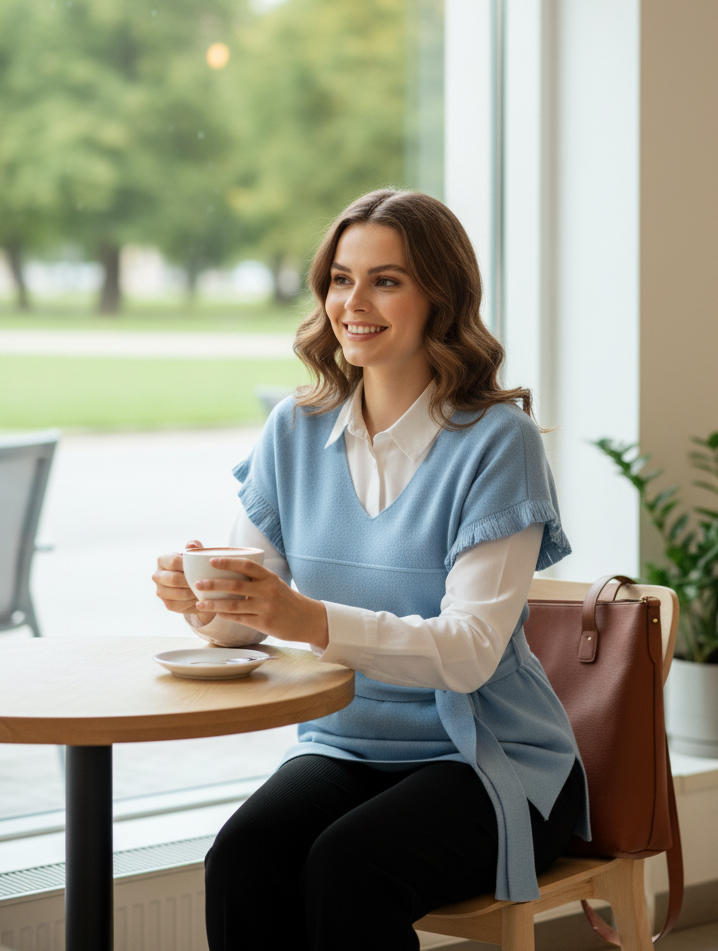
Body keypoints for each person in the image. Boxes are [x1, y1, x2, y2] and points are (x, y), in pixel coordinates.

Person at [153, 188, 590, 951]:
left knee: (347, 869)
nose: (353, 302)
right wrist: (204, 601)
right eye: (340, 278)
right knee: (242, 861)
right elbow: (241, 625)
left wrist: (306, 619)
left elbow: (468, 652)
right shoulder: (294, 428)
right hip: (345, 745)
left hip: (492, 763)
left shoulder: (498, 443)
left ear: (440, 297)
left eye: (386, 280)